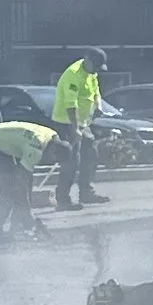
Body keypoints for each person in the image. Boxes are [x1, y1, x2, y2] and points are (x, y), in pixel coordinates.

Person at [0, 117, 62, 242]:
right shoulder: (36, 146)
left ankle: (16, 226)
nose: (50, 162)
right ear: (54, 150)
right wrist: (27, 211)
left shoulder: (52, 136)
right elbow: (21, 180)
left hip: (0, 143)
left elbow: (27, 179)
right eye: (53, 159)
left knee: (17, 187)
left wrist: (26, 208)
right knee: (9, 187)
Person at [49, 49, 108, 207]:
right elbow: (70, 104)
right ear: (86, 60)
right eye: (95, 66)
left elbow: (95, 91)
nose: (96, 70)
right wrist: (75, 129)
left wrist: (98, 106)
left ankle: (86, 192)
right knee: (71, 160)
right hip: (66, 122)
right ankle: (63, 199)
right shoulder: (73, 75)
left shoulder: (91, 72)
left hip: (83, 122)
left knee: (91, 154)